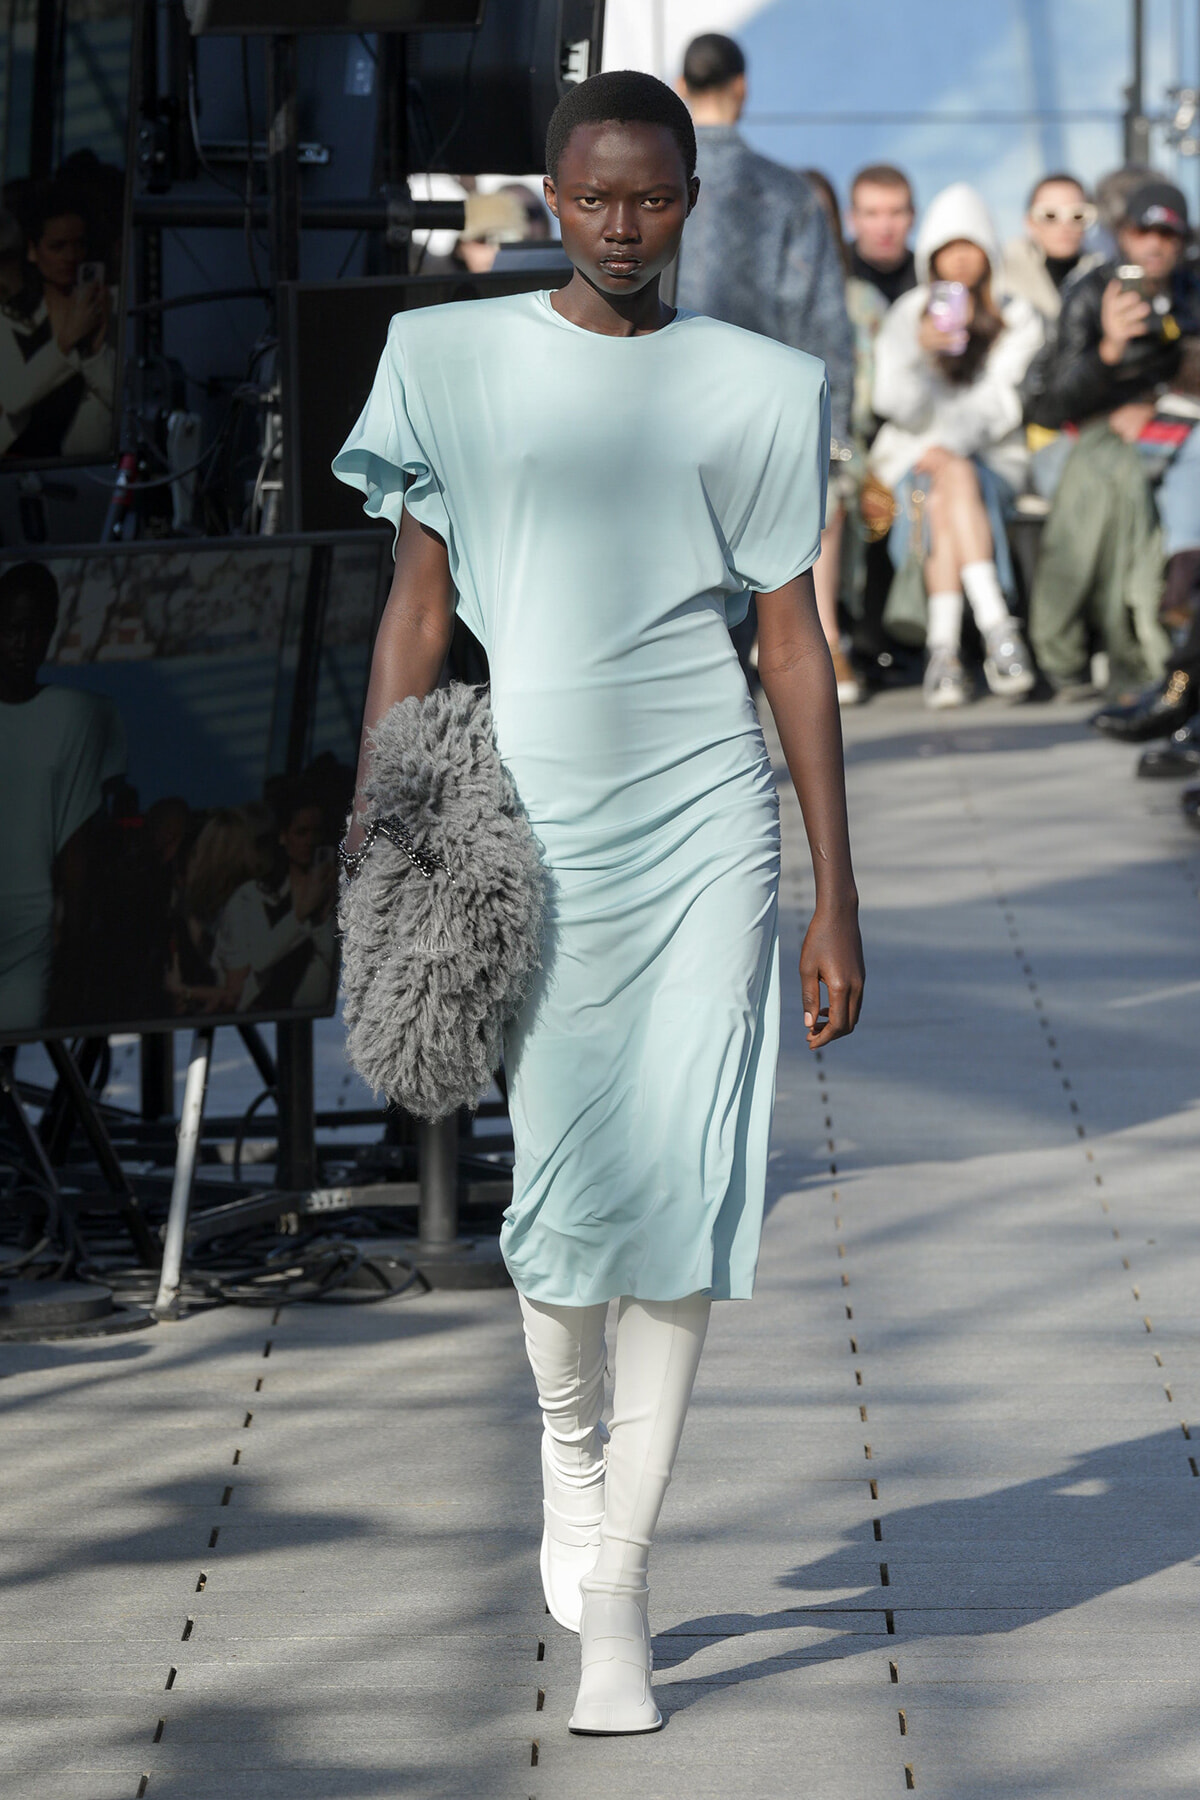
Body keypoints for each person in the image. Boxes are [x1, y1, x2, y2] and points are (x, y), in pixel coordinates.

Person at [331, 69, 864, 1737]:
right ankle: (570, 1447)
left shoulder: (763, 385)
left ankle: (621, 1589)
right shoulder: (448, 358)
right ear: (553, 196)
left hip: (708, 821)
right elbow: (419, 612)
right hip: (533, 829)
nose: (622, 226)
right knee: (561, 1209)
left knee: (690, 1193)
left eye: (653, 197)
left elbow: (790, 644)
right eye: (593, 196)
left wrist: (836, 893)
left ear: (693, 199)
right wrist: (380, 821)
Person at [673, 33, 858, 703]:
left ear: (681, 87)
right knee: (749, 607)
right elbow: (823, 321)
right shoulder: (785, 192)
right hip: (757, 422)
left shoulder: (653, 190)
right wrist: (834, 433)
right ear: (742, 88)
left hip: (658, 412)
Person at [1022, 178, 1200, 711]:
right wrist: (1109, 349)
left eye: (1168, 235)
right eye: (1144, 231)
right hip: (1079, 438)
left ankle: (1167, 622)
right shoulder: (1090, 291)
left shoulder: (1191, 290)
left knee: (1178, 471)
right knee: (1120, 483)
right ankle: (1138, 646)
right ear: (1123, 234)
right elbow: (1050, 405)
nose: (1155, 245)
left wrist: (1154, 401)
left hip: (1166, 432)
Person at [871, 182, 1043, 708]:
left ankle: (943, 655)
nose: (961, 258)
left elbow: (1001, 404)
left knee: (953, 478)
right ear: (931, 256)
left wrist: (948, 447)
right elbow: (892, 403)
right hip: (916, 462)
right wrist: (921, 354)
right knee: (948, 482)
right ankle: (999, 632)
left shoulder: (1016, 316)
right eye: (949, 247)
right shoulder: (908, 314)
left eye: (971, 245)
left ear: (989, 251)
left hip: (989, 460)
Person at [0, 560, 125, 1032]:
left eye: (34, 630)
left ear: (49, 632)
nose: (22, 643)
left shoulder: (78, 717)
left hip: (31, 939)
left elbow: (78, 849)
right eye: (11, 629)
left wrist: (72, 958)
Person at [0, 185, 114, 460]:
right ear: (33, 250)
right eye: (57, 246)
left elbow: (122, 401)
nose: (70, 257)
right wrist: (66, 341)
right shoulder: (11, 317)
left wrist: (95, 351)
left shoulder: (109, 306)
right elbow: (13, 397)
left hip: (90, 467)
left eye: (79, 244)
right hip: (26, 463)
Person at [1003, 173, 1105, 323]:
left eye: (1077, 215)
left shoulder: (1105, 278)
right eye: (1050, 215)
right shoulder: (1000, 280)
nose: (1065, 226)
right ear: (1029, 222)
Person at [848, 163, 918, 305]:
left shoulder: (930, 279)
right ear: (852, 219)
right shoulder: (831, 275)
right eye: (871, 214)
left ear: (913, 216)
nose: (885, 228)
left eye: (896, 212)